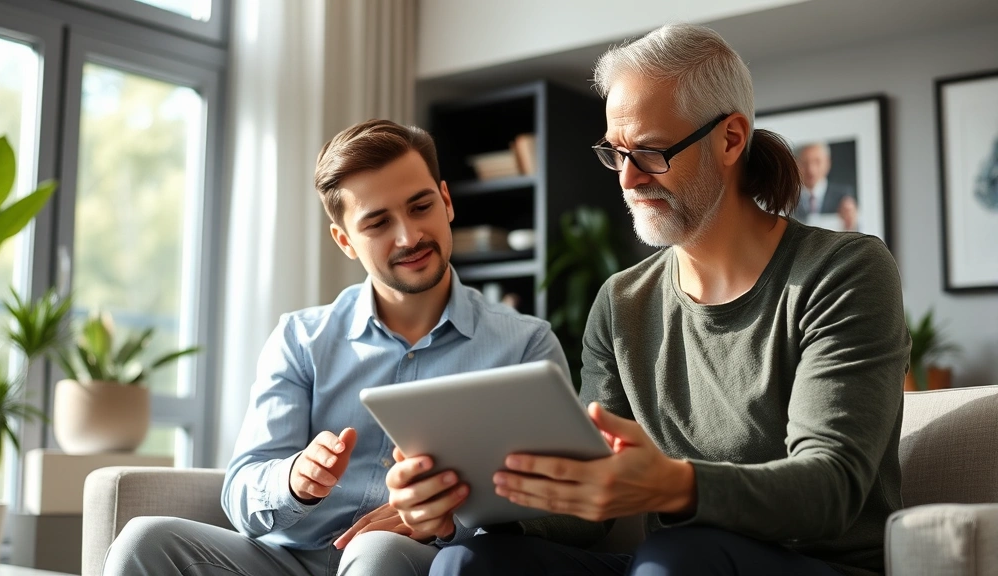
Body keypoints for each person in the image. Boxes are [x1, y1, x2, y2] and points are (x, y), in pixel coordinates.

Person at [390, 24, 910, 576]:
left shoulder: (844, 271)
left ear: (731, 139)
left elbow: (830, 488)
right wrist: (463, 503)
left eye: (650, 151)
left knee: (676, 555)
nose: (628, 179)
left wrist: (675, 485)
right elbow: (585, 506)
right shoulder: (622, 302)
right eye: (617, 154)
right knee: (470, 560)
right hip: (668, 565)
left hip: (809, 564)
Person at [100, 119, 570, 576]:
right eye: (378, 223)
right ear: (345, 240)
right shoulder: (300, 339)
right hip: (286, 561)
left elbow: (563, 506)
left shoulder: (523, 346)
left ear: (446, 201)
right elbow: (241, 489)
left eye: (420, 206)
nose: (409, 236)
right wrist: (293, 480)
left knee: (376, 552)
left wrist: (448, 519)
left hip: (414, 561)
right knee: (144, 539)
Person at [793, 141, 859, 230]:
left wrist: (852, 222)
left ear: (828, 163)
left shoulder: (843, 196)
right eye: (804, 163)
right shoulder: (787, 199)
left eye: (817, 162)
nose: (811, 170)